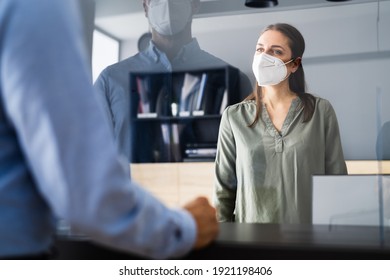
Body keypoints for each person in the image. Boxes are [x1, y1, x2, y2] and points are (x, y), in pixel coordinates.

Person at [0, 0, 218, 259]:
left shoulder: (229, 76)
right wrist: (183, 228)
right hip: (123, 231)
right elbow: (86, 187)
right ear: (145, 6)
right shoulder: (108, 78)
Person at [214, 23, 348, 224]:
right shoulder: (234, 117)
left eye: (276, 51)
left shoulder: (321, 111)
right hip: (252, 241)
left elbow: (337, 183)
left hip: (309, 240)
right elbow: (223, 191)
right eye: (260, 49)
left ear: (294, 64)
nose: (264, 57)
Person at [93, 0, 253, 160]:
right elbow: (92, 158)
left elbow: (248, 159)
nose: (167, 3)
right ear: (145, 6)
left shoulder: (234, 82)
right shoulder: (110, 82)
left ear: (195, 4)